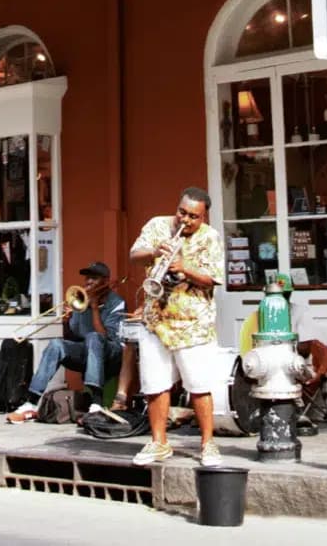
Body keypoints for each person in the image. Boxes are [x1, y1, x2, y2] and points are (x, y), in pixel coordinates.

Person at [129, 187, 227, 467]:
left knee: (198, 385)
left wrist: (184, 268)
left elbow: (213, 278)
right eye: (181, 212)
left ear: (203, 216)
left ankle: (208, 444)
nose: (185, 220)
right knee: (154, 383)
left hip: (192, 323)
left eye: (193, 216)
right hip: (156, 320)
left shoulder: (210, 237)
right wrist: (153, 252)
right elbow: (134, 256)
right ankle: (159, 443)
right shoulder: (157, 225)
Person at [5, 261, 127, 423]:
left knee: (93, 337)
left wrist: (95, 308)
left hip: (111, 355)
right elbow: (72, 338)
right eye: (87, 278)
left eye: (94, 278)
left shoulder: (117, 302)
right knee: (56, 344)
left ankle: (96, 404)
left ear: (105, 281)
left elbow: (106, 337)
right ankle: (31, 404)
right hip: (87, 353)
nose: (88, 282)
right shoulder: (80, 300)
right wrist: (66, 321)